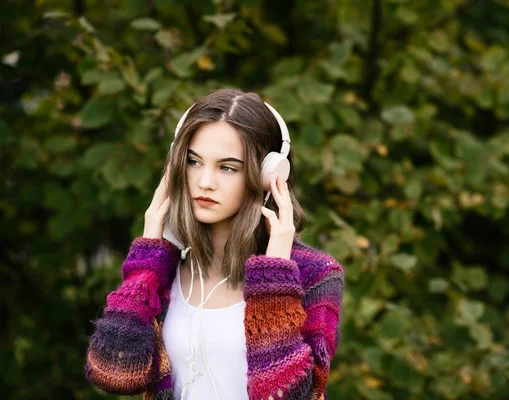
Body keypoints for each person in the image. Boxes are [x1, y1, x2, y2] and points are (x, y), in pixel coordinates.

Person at [84, 88, 345, 400]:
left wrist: (275, 277)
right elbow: (114, 374)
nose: (205, 181)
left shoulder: (315, 276)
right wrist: (148, 254)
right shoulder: (164, 271)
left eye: (227, 167)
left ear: (267, 176)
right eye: (194, 162)